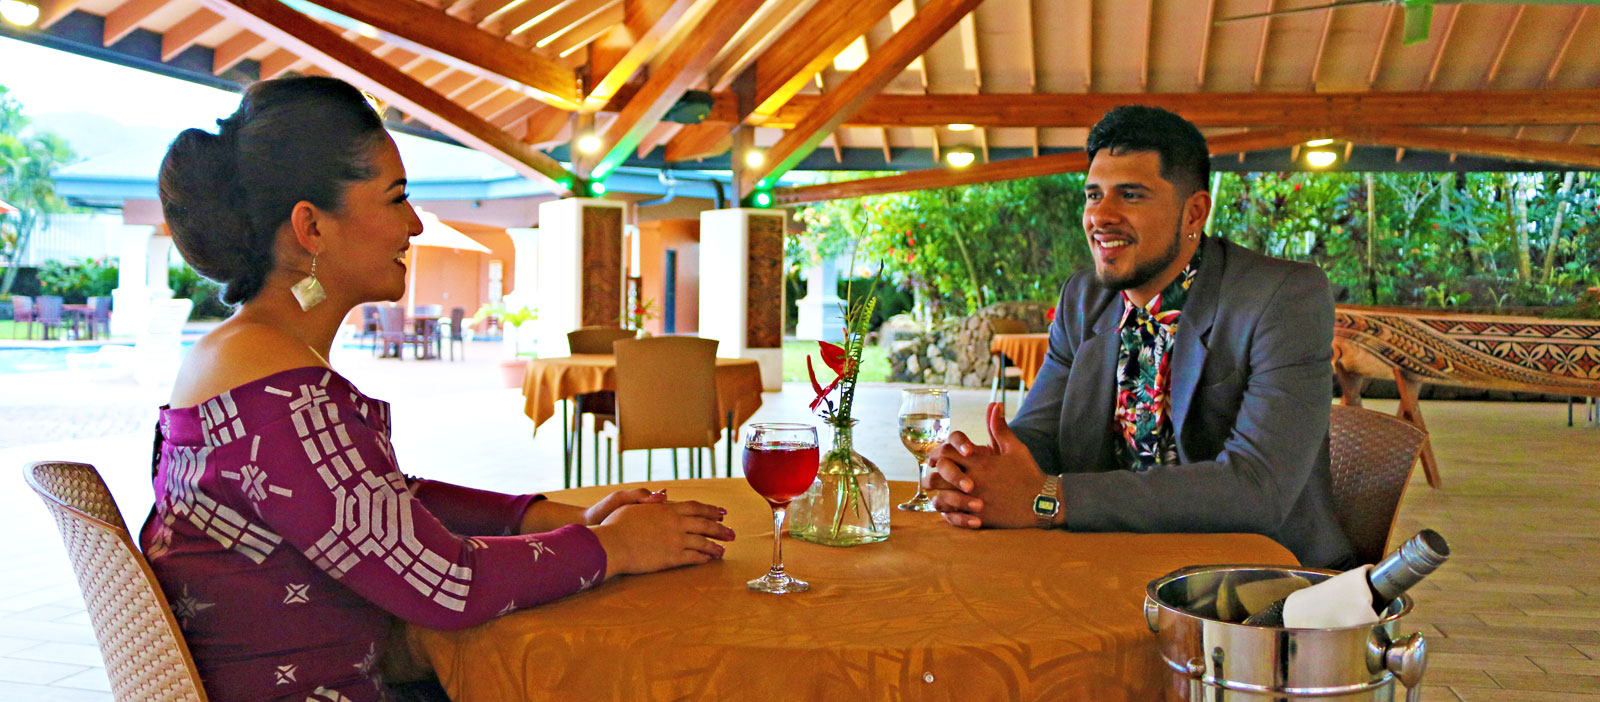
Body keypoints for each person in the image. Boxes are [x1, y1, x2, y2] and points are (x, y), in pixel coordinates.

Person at [144, 76, 735, 702]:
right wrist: (610, 548)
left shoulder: (244, 358)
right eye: (396, 198)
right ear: (311, 228)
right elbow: (448, 585)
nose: (416, 224)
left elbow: (381, 500)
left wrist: (554, 517)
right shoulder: (284, 397)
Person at [928, 105, 1356, 569]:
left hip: (1256, 581)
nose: (1102, 216)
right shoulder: (1084, 298)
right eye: (1094, 195)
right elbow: (1041, 434)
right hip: (1109, 559)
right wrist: (977, 473)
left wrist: (1051, 498)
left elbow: (1257, 487)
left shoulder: (1281, 298)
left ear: (1194, 211)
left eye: (1130, 195)